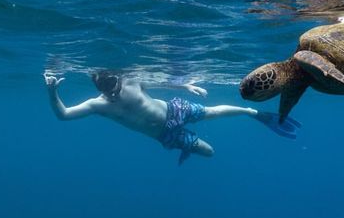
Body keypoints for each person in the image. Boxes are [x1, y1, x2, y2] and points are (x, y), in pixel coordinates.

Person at [44, 70, 299, 164]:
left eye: (116, 85)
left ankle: (253, 113)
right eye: (109, 90)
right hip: (165, 134)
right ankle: (187, 144)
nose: (115, 91)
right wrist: (52, 91)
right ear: (101, 89)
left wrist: (186, 86)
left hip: (174, 110)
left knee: (210, 113)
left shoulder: (131, 81)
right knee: (209, 152)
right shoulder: (97, 105)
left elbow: (162, 79)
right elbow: (64, 115)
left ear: (118, 78)